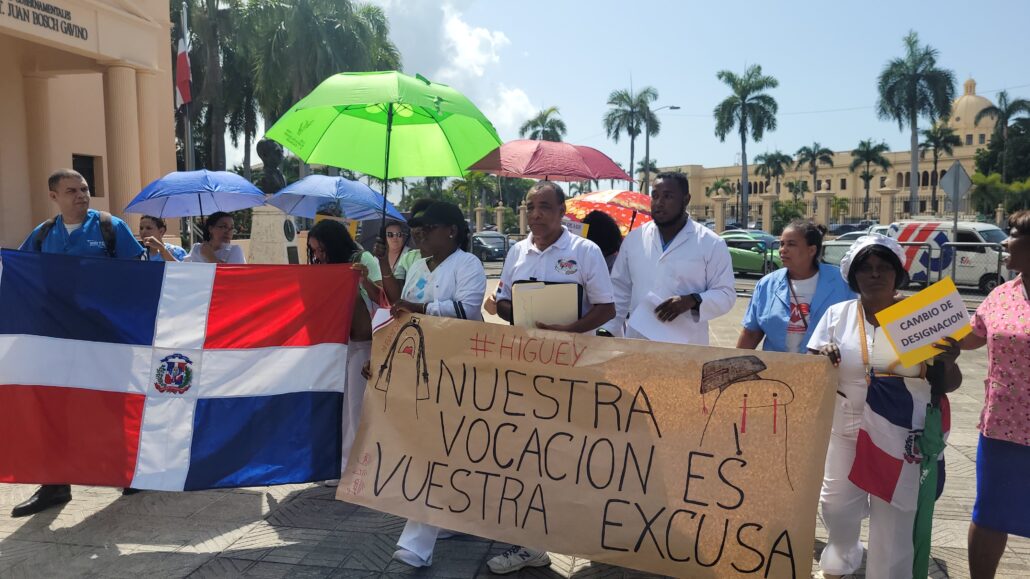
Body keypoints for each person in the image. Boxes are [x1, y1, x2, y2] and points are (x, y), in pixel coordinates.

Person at [808, 234, 961, 579]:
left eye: (883, 268)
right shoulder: (837, 314)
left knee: (895, 514)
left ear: (897, 274)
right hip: (846, 426)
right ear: (853, 276)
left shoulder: (919, 317)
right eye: (866, 268)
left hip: (902, 429)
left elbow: (950, 383)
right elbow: (811, 361)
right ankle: (842, 557)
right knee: (835, 507)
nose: (875, 274)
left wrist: (947, 362)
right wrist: (821, 359)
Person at [486, 182, 615, 574]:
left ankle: (591, 536)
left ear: (563, 212)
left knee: (572, 455)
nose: (536, 214)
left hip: (575, 369)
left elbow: (606, 308)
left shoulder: (584, 252)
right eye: (530, 207)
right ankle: (529, 544)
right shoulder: (516, 251)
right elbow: (504, 299)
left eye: (545, 207)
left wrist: (569, 331)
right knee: (527, 455)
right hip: (527, 370)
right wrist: (512, 308)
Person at [12, 169, 144, 518]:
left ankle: (127, 471)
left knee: (114, 404)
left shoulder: (110, 228)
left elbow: (138, 279)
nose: (81, 195)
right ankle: (55, 484)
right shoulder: (42, 235)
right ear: (54, 196)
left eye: (84, 188)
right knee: (53, 408)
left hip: (106, 338)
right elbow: (20, 276)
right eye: (72, 190)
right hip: (56, 340)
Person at [390, 201, 486, 569]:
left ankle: (417, 540)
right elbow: (400, 307)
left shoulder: (468, 264)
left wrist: (419, 309)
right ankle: (452, 514)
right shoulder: (415, 264)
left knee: (437, 442)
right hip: (417, 362)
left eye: (426, 229)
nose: (419, 235)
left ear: (451, 230)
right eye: (415, 230)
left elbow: (468, 310)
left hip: (455, 364)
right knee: (442, 445)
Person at [959, 211, 1030, 579]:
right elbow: (969, 338)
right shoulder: (1001, 295)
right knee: (989, 515)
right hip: (1002, 428)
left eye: (1014, 233)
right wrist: (916, 325)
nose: (1004, 240)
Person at [604, 172, 735, 344]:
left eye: (668, 196)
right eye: (655, 196)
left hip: (686, 346)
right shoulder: (634, 239)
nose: (659, 203)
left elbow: (726, 294)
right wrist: (609, 330)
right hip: (638, 342)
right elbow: (619, 289)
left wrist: (692, 300)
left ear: (686, 199)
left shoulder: (710, 243)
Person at [305, 220, 379, 481]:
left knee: (357, 408)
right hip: (338, 344)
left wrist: (363, 279)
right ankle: (344, 465)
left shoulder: (364, 258)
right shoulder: (324, 267)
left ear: (334, 243)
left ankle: (356, 470)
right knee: (343, 408)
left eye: (321, 249)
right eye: (314, 250)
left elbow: (384, 298)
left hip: (363, 343)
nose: (318, 256)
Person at [737, 220, 854, 353]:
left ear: (811, 250)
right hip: (779, 369)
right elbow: (751, 333)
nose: (782, 250)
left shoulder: (842, 281)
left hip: (826, 368)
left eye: (791, 244)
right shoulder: (767, 284)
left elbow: (866, 317)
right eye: (781, 244)